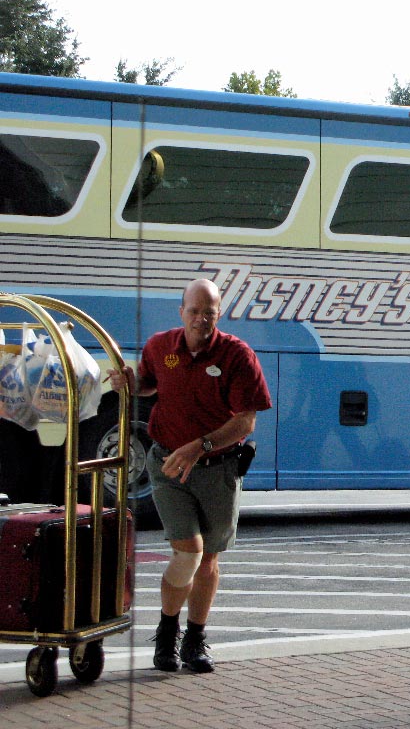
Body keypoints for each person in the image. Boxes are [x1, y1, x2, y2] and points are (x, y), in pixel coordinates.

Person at [108, 279, 272, 673]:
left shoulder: (237, 356)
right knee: (189, 552)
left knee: (209, 558)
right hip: (167, 465)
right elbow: (148, 385)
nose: (201, 319)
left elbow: (244, 422)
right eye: (194, 311)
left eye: (209, 312)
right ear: (181, 312)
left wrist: (199, 446)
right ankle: (167, 634)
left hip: (219, 469)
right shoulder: (161, 347)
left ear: (219, 314)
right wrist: (130, 385)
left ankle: (195, 639)